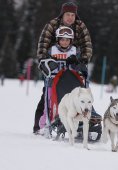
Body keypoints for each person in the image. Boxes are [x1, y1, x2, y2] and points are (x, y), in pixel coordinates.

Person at [33, 2, 92, 134]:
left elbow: (87, 44)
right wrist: (44, 60)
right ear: (62, 15)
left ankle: (80, 121)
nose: (70, 18)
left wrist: (83, 59)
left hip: (73, 67)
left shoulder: (80, 26)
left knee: (78, 94)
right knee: (47, 96)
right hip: (54, 66)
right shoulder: (52, 25)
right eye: (68, 15)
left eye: (73, 15)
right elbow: (43, 42)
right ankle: (39, 125)